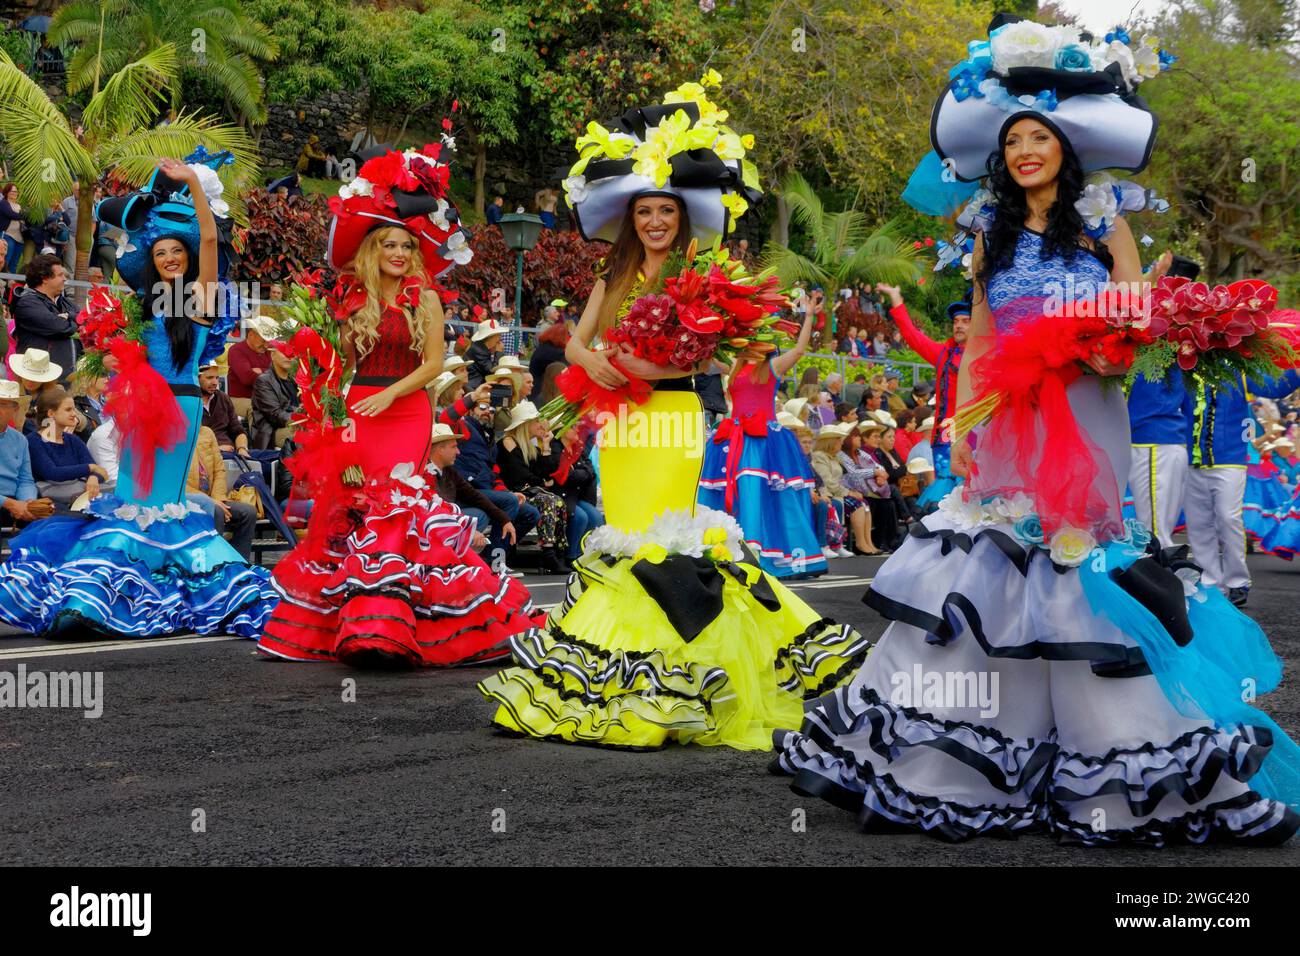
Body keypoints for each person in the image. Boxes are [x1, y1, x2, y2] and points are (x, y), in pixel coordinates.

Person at [775, 14, 1300, 846]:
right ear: (1001, 152)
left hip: (1091, 407)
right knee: (995, 553)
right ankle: (977, 751)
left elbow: (1138, 318)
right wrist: (966, 420)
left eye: (1040, 136)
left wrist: (1106, 354)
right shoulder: (987, 229)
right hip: (1009, 414)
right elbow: (981, 334)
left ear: (1065, 145)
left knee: (1076, 550)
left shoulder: (1105, 219)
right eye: (1014, 138)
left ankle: (1114, 752)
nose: (1025, 150)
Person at [479, 81, 867, 749]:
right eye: (644, 213)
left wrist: (621, 366)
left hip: (674, 417)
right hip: (620, 424)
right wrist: (586, 357)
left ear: (681, 216)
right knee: (625, 535)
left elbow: (701, 357)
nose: (654, 222)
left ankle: (691, 682)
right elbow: (561, 337)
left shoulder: (703, 273)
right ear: (629, 219)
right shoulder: (613, 275)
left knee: (664, 539)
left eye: (665, 211)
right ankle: (631, 686)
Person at [258, 142, 544, 667]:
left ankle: (405, 621)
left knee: (398, 506)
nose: (398, 254)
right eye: (389, 244)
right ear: (373, 249)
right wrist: (326, 390)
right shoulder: (351, 295)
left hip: (407, 409)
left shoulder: (427, 298)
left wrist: (391, 393)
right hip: (358, 409)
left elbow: (435, 364)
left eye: (406, 247)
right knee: (355, 506)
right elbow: (337, 364)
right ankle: (356, 623)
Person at [0, 153, 277, 638]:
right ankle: (104, 596)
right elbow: (134, 357)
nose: (170, 259)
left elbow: (211, 238)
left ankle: (162, 595)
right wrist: (116, 362)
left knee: (161, 500)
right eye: (161, 254)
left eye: (178, 252)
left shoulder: (203, 297)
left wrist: (192, 180)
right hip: (139, 407)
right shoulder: (148, 307)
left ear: (190, 258)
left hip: (181, 408)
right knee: (130, 496)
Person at [698, 298, 825, 578]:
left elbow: (801, 349)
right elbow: (706, 354)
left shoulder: (773, 366)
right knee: (729, 492)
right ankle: (722, 548)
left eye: (758, 336)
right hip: (733, 436)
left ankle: (758, 553)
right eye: (750, 336)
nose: (754, 341)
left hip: (762, 439)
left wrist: (809, 316)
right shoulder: (734, 366)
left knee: (760, 494)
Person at [1185, 369, 1300, 606]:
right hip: (1189, 458)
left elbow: (1273, 386)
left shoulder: (1237, 367)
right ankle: (1209, 582)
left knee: (1229, 518)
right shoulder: (1186, 365)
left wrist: (1296, 371)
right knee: (1198, 523)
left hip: (1230, 459)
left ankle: (1237, 581)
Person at [878, 282, 969, 510]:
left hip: (976, 432)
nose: (958, 326)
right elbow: (912, 335)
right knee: (949, 492)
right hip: (947, 433)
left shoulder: (987, 353)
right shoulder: (943, 355)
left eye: (965, 321)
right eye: (956, 322)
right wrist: (897, 299)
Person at [495, 401, 569, 573]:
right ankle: (548, 554)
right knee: (548, 500)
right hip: (513, 492)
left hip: (526, 491)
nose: (540, 424)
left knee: (557, 501)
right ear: (525, 424)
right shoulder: (508, 441)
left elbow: (548, 470)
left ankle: (555, 553)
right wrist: (542, 482)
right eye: (536, 421)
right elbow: (520, 475)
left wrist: (546, 446)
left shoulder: (529, 446)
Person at [428, 423, 518, 559]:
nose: (458, 451)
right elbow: (434, 511)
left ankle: (470, 558)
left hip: (447, 518)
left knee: (483, 512)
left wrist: (504, 519)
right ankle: (456, 559)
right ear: (440, 449)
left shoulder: (449, 471)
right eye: (454, 447)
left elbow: (473, 495)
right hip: (433, 524)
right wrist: (468, 528)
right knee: (478, 516)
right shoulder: (424, 473)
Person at [26, 387, 109, 507]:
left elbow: (99, 471)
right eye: (68, 410)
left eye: (74, 409)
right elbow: (52, 473)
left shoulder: (72, 439)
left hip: (78, 497)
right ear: (51, 414)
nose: (74, 414)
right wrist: (90, 468)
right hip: (54, 504)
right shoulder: (34, 441)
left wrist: (94, 478)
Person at [187, 425, 257, 560]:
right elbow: (178, 482)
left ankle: (239, 564)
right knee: (217, 511)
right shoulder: (173, 435)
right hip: (189, 499)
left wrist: (218, 498)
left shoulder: (207, 432)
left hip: (213, 497)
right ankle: (216, 564)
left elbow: (219, 470)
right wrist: (211, 501)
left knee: (248, 512)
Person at [809, 422, 878, 555]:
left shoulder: (834, 457)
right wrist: (849, 492)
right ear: (831, 442)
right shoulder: (819, 456)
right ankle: (857, 543)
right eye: (839, 440)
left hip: (836, 493)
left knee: (864, 504)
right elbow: (828, 482)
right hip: (831, 493)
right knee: (856, 505)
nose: (841, 443)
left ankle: (865, 542)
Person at [0, 379, 54, 537]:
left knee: (50, 519)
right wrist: (10, 504)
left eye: (3, 404)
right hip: (7, 502)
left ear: (15, 409)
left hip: (14, 500)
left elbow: (25, 480)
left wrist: (29, 502)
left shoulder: (20, 440)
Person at [11, 254, 79, 376]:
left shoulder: (65, 302)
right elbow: (59, 327)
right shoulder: (27, 303)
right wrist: (74, 322)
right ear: (45, 278)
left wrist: (68, 317)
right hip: (37, 379)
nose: (65, 279)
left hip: (69, 379)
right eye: (60, 275)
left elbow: (86, 319)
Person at [249, 342, 299, 450]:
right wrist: (301, 420)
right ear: (272, 355)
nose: (288, 356)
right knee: (305, 437)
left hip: (295, 424)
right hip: (273, 431)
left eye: (291, 352)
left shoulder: (296, 380)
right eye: (283, 351)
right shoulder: (264, 381)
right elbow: (275, 414)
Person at [226, 314, 275, 418]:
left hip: (267, 399)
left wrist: (261, 371)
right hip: (241, 399)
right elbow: (247, 378)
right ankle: (260, 434)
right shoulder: (236, 350)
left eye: (268, 341)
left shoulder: (271, 349)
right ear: (251, 334)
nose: (266, 345)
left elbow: (281, 373)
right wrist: (271, 373)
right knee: (256, 410)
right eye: (263, 340)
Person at [527, 321, 568, 402]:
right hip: (542, 393)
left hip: (534, 389)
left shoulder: (542, 348)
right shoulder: (556, 353)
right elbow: (568, 368)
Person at [1, 183, 25, 273]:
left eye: (16, 191)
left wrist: (23, 216)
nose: (14, 193)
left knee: (14, 263)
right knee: (6, 260)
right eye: (12, 191)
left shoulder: (19, 206)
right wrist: (24, 215)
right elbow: (12, 214)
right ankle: (2, 283)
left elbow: (21, 218)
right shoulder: (3, 203)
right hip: (8, 235)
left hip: (20, 238)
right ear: (7, 192)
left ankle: (10, 286)